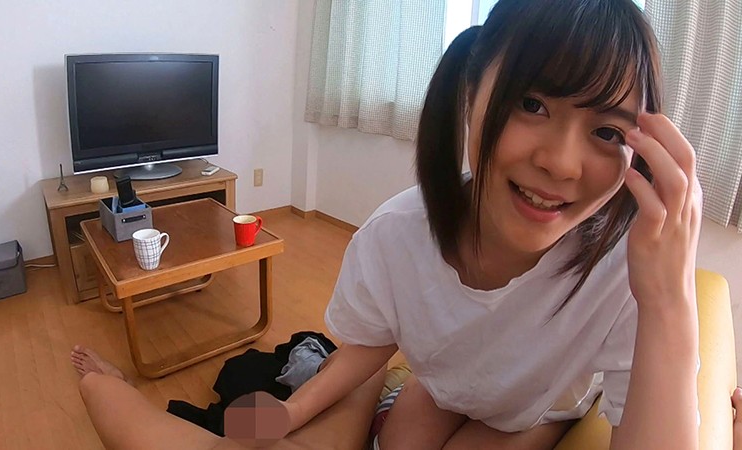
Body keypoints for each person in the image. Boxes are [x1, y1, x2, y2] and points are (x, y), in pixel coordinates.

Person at [71, 0, 727, 449]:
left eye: (606, 130)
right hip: (445, 385)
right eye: (532, 103)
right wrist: (289, 413)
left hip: (536, 409)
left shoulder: (627, 265)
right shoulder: (395, 234)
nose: (560, 162)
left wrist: (668, 301)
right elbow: (372, 342)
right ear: (470, 89)